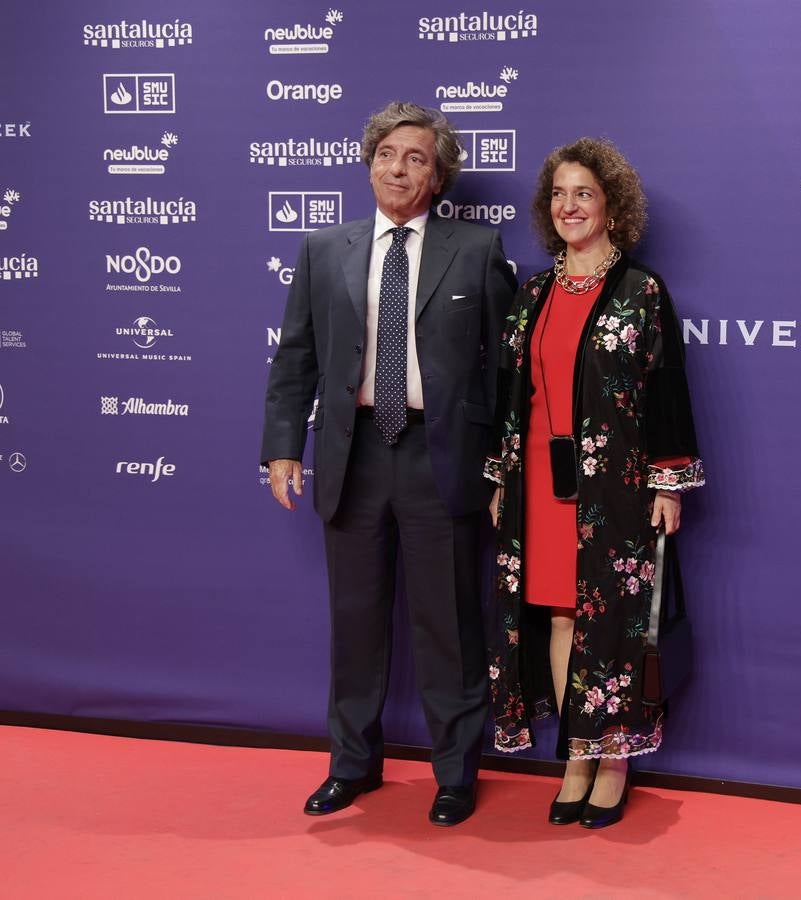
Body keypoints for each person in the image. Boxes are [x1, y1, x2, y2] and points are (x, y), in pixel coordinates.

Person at [260, 101, 516, 826]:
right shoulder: (323, 249)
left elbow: (501, 368)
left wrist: (499, 462)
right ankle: (351, 766)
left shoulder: (475, 249)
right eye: (386, 155)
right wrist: (283, 446)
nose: (397, 168)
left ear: (438, 176)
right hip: (356, 451)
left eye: (416, 159)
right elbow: (296, 357)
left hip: (443, 455)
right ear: (368, 162)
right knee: (356, 621)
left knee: (449, 623)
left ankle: (455, 774)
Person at [484, 138, 704, 829]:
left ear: (611, 205)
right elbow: (508, 393)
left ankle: (614, 761)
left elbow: (666, 391)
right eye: (558, 194)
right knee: (555, 613)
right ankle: (575, 755)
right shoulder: (532, 292)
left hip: (616, 485)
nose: (569, 206)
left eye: (583, 193)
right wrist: (498, 479)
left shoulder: (643, 291)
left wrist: (668, 483)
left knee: (609, 622)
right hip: (538, 488)